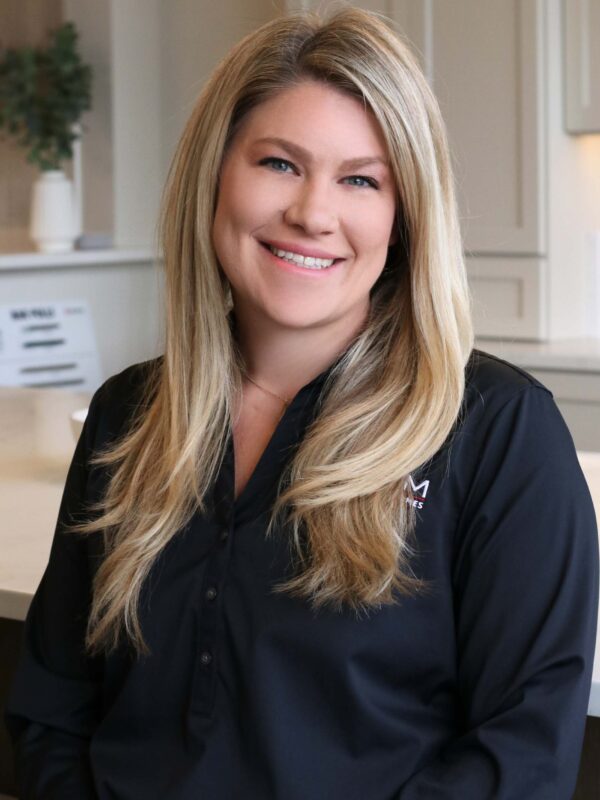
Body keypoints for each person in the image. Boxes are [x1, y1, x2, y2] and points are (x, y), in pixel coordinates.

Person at [5, 6, 598, 799]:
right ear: (215, 174)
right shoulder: (128, 415)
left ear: (404, 218)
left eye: (360, 179)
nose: (313, 213)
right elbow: (54, 707)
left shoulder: (500, 433)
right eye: (279, 163)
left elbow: (518, 756)